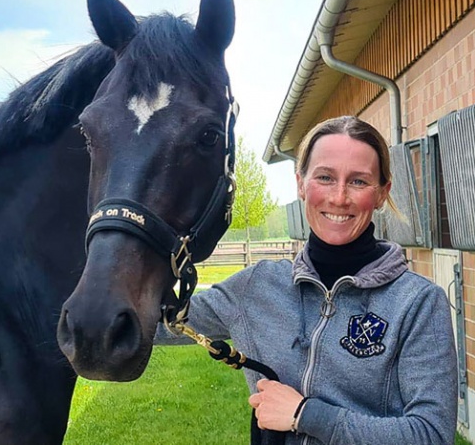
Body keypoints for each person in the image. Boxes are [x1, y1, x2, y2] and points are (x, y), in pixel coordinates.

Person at [156, 115, 458, 444]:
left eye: (358, 181)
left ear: (382, 192)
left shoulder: (417, 303)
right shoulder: (255, 288)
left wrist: (305, 415)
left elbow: (431, 434)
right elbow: (147, 322)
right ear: (301, 183)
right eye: (325, 177)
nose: (340, 197)